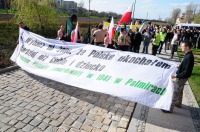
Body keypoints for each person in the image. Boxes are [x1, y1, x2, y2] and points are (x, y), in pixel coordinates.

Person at [162, 41, 194, 113]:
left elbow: (187, 71)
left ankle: (169, 108)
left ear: (187, 47)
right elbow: (184, 65)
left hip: (182, 77)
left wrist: (177, 75)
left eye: (182, 46)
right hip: (182, 76)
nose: (181, 47)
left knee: (175, 91)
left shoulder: (189, 57)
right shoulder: (187, 55)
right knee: (180, 90)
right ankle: (178, 103)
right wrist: (179, 66)